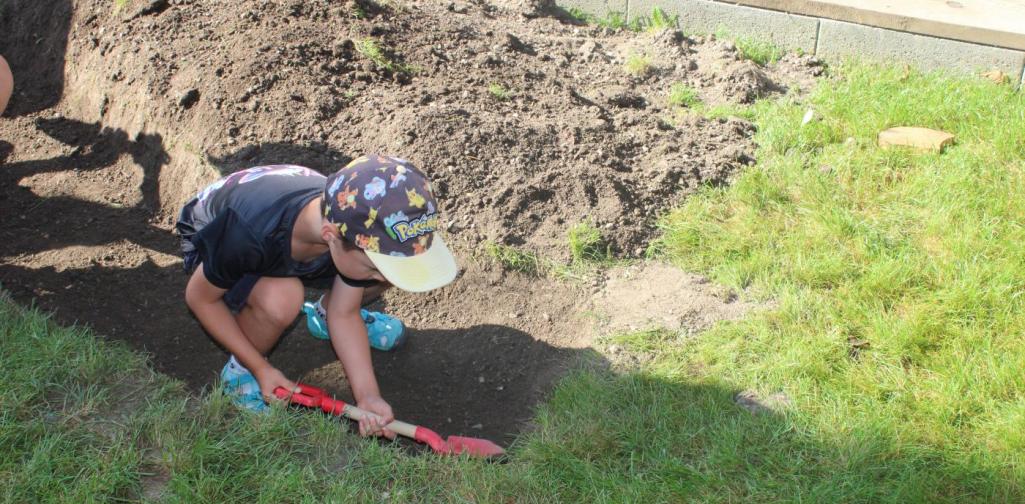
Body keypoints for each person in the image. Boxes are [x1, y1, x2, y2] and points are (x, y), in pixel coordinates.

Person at [176, 155, 458, 438]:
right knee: (282, 299)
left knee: (392, 271)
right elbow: (201, 299)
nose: (383, 280)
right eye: (376, 268)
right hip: (215, 234)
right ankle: (240, 373)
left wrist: (368, 396)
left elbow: (344, 313)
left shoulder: (351, 227)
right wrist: (260, 367)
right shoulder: (247, 235)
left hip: (301, 243)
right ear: (331, 236)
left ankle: (324, 315)